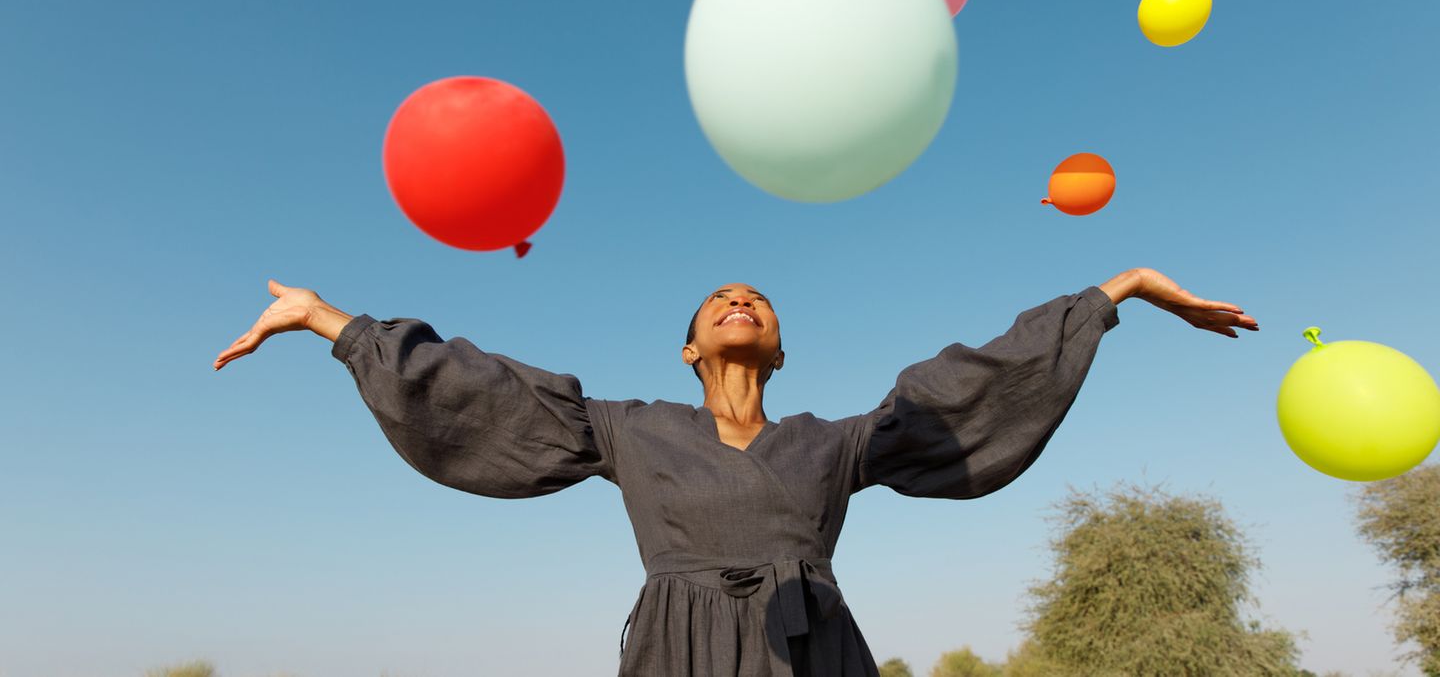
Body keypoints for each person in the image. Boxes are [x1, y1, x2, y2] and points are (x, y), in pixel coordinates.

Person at [213, 267, 1257, 677]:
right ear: (689, 349)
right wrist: (328, 322)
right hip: (680, 649)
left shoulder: (841, 441)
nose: (740, 300)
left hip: (815, 651)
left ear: (783, 349)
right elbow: (477, 391)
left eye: (758, 298)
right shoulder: (626, 427)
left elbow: (975, 383)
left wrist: (1124, 292)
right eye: (718, 300)